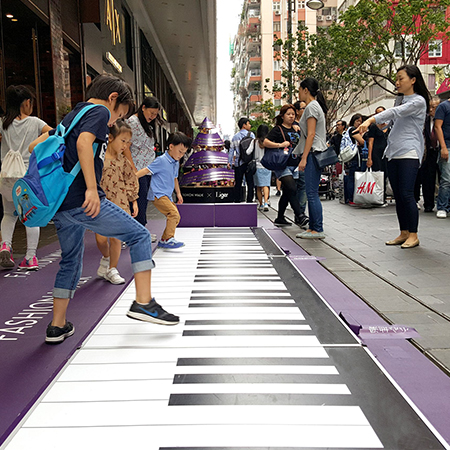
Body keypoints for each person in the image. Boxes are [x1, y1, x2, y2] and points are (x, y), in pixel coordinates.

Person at [28, 74, 179, 344]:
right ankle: (144, 302)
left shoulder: (72, 114)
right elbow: (84, 143)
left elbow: (34, 145)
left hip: (61, 205)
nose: (113, 122)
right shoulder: (98, 110)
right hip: (81, 200)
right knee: (140, 235)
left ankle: (57, 326)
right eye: (119, 113)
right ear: (112, 99)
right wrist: (90, 188)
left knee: (70, 260)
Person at [357, 65, 430, 249]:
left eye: (400, 78)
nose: (397, 83)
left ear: (413, 80)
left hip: (409, 152)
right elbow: (389, 122)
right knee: (398, 194)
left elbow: (396, 113)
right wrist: (372, 126)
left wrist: (371, 119)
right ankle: (404, 232)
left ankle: (413, 234)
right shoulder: (400, 100)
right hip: (393, 152)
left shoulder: (418, 101)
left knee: (406, 194)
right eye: (396, 79)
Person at [0, 85, 52, 270]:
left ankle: (5, 245)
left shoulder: (3, 123)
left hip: (6, 175)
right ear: (27, 102)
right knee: (31, 216)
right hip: (27, 177)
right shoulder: (35, 122)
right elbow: (53, 132)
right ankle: (30, 257)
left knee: (8, 214)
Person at [95, 120, 139, 285]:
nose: (125, 145)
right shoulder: (98, 159)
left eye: (128, 142)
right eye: (123, 141)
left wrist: (133, 200)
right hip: (101, 203)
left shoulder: (123, 161)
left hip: (120, 202)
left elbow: (131, 179)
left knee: (116, 238)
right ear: (111, 138)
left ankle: (113, 269)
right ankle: (106, 259)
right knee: (100, 239)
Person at [137, 132, 191, 249]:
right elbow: (146, 170)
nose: (181, 155)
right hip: (158, 194)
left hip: (167, 195)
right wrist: (131, 178)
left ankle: (164, 239)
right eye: (180, 151)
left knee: (176, 217)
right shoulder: (161, 160)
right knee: (174, 214)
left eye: (184, 152)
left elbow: (175, 178)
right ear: (171, 147)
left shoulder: (176, 162)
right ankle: (168, 239)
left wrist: (178, 193)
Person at [294, 78, 329, 239]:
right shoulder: (314, 106)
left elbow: (311, 134)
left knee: (312, 192)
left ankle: (317, 228)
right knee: (311, 192)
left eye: (299, 90)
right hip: (314, 152)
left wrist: (304, 158)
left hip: (313, 153)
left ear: (306, 90)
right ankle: (313, 227)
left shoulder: (311, 107)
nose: (298, 93)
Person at [264, 104, 304, 227]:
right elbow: (265, 142)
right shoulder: (277, 129)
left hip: (295, 164)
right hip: (282, 165)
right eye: (288, 114)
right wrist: (280, 145)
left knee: (287, 192)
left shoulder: (296, 128)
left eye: (293, 114)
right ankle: (300, 216)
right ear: (282, 116)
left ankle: (280, 217)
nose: (291, 116)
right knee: (292, 188)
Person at [125, 96, 161, 227]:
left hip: (147, 169)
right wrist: (133, 169)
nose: (153, 116)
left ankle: (140, 229)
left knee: (143, 199)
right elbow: (126, 147)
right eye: (151, 113)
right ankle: (138, 230)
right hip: (137, 169)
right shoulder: (132, 122)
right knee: (137, 200)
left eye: (155, 114)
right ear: (143, 107)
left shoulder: (147, 125)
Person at [415, 97, 440, 212]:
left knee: (443, 178)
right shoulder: (424, 121)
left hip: (441, 151)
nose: (431, 110)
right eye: (429, 107)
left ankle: (443, 204)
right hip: (428, 152)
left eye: (433, 107)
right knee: (427, 179)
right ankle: (428, 204)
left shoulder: (444, 119)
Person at [228, 117, 255, 203]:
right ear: (244, 125)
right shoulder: (252, 135)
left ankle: (237, 199)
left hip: (239, 163)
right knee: (250, 182)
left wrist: (229, 162)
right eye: (249, 123)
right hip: (249, 163)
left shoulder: (235, 137)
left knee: (238, 182)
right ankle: (249, 200)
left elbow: (231, 150)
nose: (250, 125)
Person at [367, 106, 389, 204]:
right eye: (378, 112)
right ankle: (380, 197)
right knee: (378, 175)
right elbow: (370, 142)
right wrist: (369, 157)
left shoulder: (389, 126)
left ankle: (385, 195)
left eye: (382, 112)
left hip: (388, 154)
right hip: (377, 154)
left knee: (387, 174)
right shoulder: (373, 126)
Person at [247, 124, 271, 211]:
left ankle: (260, 204)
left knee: (258, 186)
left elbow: (248, 152)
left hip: (257, 166)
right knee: (266, 185)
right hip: (267, 166)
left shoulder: (254, 141)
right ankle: (266, 202)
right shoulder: (268, 141)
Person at [293, 101, 309, 228]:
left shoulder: (307, 124)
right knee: (292, 189)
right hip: (292, 161)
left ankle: (300, 214)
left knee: (303, 186)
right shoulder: (292, 126)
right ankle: (298, 213)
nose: (306, 110)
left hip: (304, 159)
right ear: (297, 111)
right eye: (303, 108)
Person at [344, 114, 366, 204]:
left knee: (352, 177)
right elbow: (362, 141)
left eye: (360, 121)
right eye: (357, 121)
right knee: (353, 178)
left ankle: (351, 198)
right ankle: (351, 198)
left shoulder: (350, 130)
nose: (359, 123)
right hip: (354, 158)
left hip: (352, 158)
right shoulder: (353, 130)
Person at [434, 96, 450, 218]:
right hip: (447, 146)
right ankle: (442, 207)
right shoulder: (443, 106)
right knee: (446, 178)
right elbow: (437, 126)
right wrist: (443, 147)